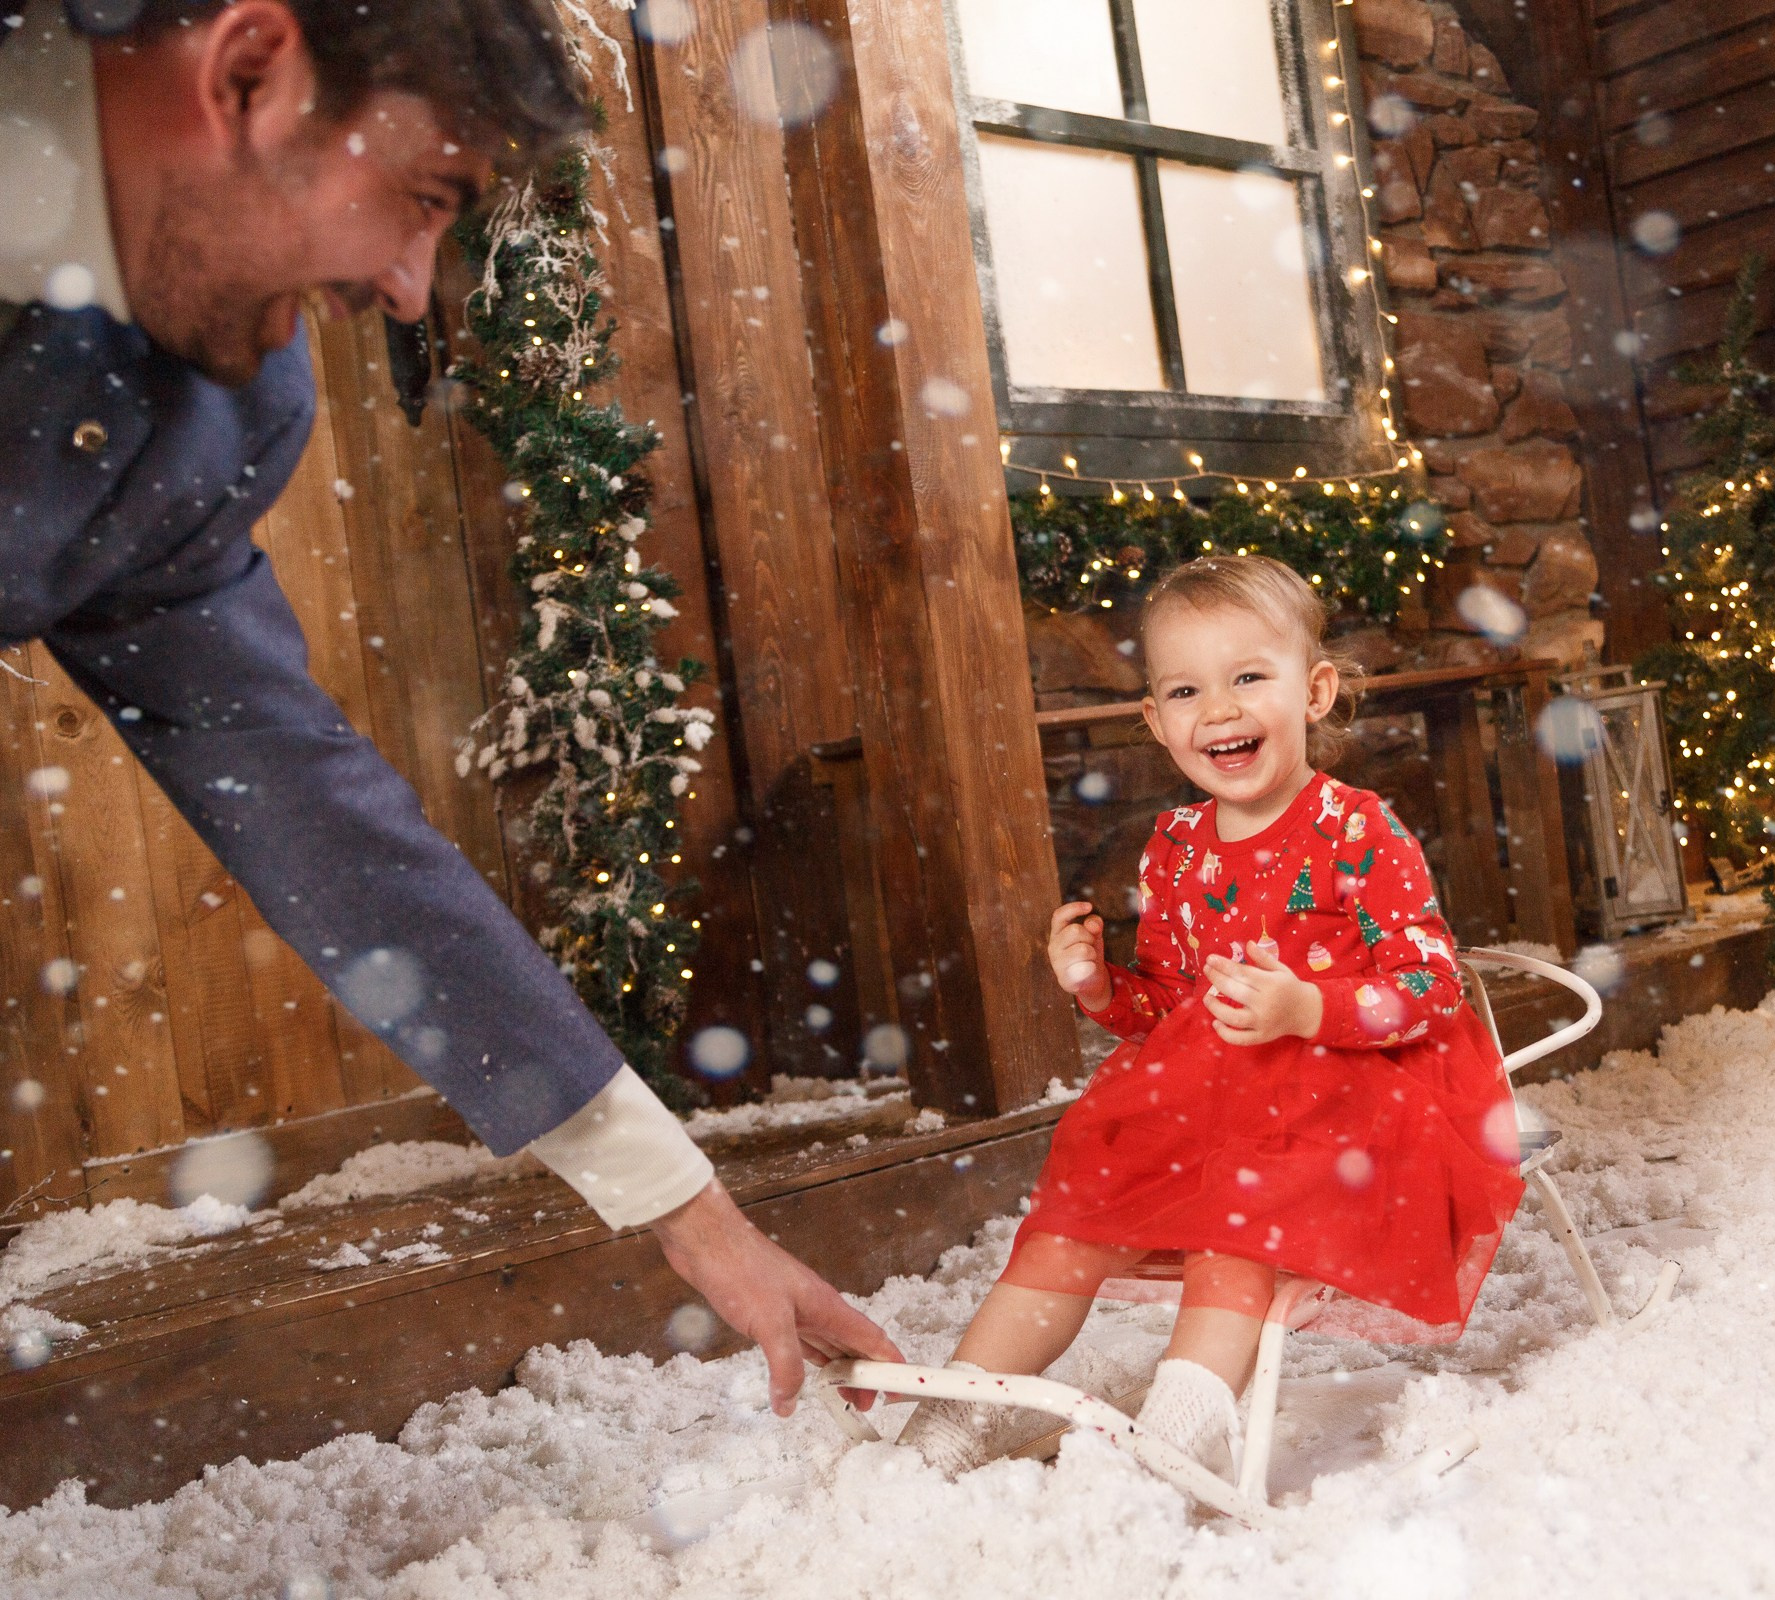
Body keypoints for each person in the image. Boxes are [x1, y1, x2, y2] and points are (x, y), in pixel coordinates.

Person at [0, 0, 901, 1410]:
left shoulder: (221, 410)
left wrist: (687, 1209)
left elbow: (306, 802)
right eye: (421, 201)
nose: (415, 291)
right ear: (247, 70)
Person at [897, 555, 1526, 1475]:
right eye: (1187, 690)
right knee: (1076, 1210)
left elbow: (1433, 985)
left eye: (1247, 678)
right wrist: (1099, 988)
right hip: (1216, 1093)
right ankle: (962, 1414)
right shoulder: (1177, 849)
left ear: (1313, 693)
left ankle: (1181, 1425)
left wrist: (1306, 1005)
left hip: (1348, 1092)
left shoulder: (1357, 828)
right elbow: (1169, 1009)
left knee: (1240, 1211)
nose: (1219, 711)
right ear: (1156, 721)